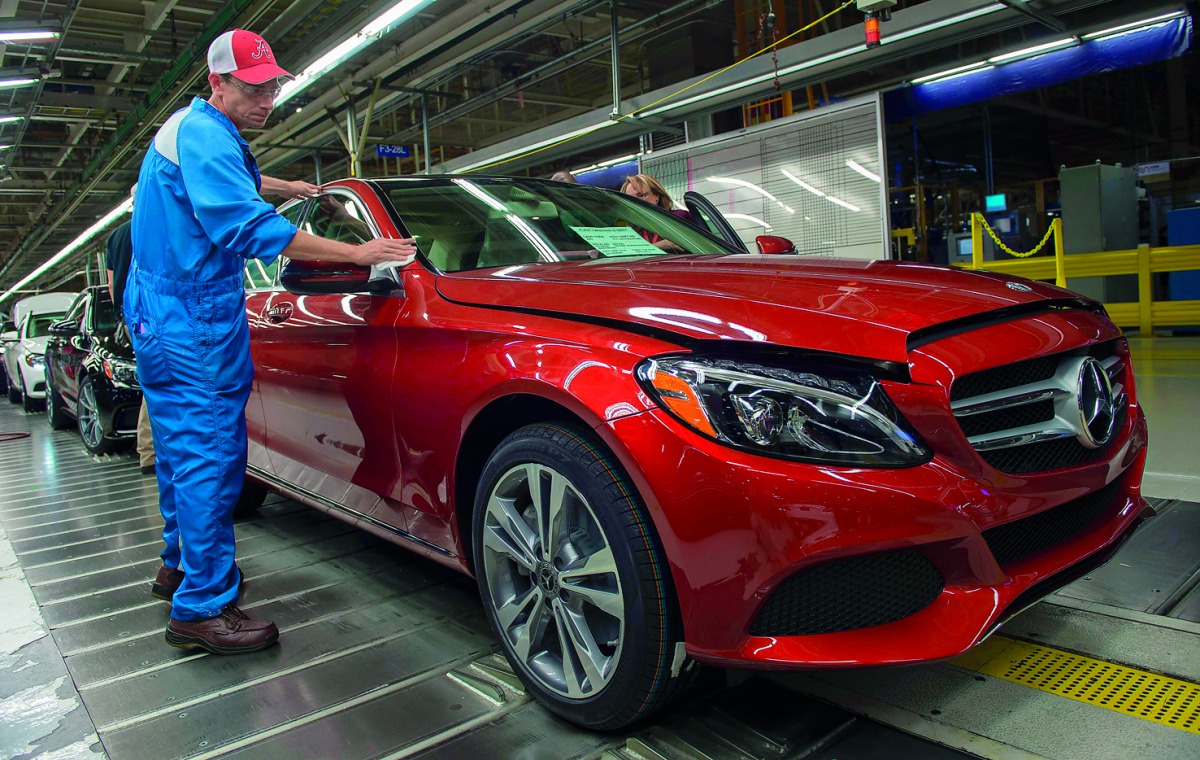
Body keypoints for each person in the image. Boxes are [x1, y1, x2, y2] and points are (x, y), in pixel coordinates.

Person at [126, 28, 416, 655]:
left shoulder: (192, 130)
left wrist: (280, 186)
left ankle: (178, 565)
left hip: (163, 311)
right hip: (192, 317)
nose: (268, 100)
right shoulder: (206, 134)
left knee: (182, 452)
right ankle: (202, 607)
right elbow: (244, 228)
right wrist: (357, 252)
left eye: (274, 86)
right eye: (253, 89)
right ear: (217, 83)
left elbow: (220, 186)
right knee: (211, 456)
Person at [105, 216, 157, 475]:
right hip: (152, 316)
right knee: (162, 379)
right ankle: (150, 451)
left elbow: (112, 283)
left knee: (152, 378)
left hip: (133, 319)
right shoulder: (153, 225)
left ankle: (148, 451)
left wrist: (123, 317)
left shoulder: (115, 235)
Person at [620, 173, 694, 252]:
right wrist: (660, 246)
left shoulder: (680, 217)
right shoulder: (631, 228)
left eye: (641, 195)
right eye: (630, 198)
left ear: (657, 195)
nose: (635, 202)